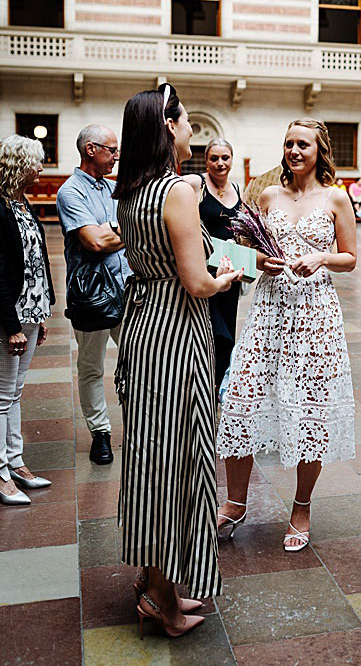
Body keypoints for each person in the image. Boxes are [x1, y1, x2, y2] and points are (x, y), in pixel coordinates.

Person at [112, 83, 242, 638]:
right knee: (179, 462)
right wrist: (229, 276)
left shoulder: (131, 192)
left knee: (149, 459)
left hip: (141, 328)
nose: (193, 128)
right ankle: (162, 599)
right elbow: (196, 281)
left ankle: (151, 582)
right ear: (168, 127)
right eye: (187, 120)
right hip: (177, 332)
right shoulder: (177, 192)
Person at [216, 118, 357, 553]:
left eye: (303, 144)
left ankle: (301, 507)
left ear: (320, 150)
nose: (294, 151)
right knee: (241, 399)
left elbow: (350, 258)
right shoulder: (268, 195)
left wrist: (321, 258)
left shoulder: (336, 197)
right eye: (289, 144)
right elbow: (247, 247)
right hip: (268, 310)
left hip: (315, 314)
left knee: (307, 410)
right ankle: (235, 502)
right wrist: (261, 261)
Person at [55, 124, 129, 465]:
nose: (116, 155)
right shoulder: (71, 192)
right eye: (111, 150)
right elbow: (95, 242)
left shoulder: (111, 189)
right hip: (92, 293)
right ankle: (100, 433)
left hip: (126, 287)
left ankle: (139, 427)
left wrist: (114, 230)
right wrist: (120, 230)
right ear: (91, 150)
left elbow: (114, 232)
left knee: (136, 361)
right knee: (91, 367)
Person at [0, 135, 55, 505]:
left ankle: (15, 461)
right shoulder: (0, 206)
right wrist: (12, 325)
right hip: (11, 315)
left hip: (31, 310)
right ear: (19, 163)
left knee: (15, 392)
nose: (40, 168)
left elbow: (36, 259)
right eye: (36, 161)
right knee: (2, 396)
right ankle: (1, 473)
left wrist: (43, 308)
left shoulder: (23, 203)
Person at [196, 138, 244, 392]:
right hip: (206, 271)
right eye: (214, 158)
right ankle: (204, 380)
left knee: (228, 326)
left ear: (232, 160)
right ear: (206, 160)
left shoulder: (237, 188)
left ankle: (219, 384)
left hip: (231, 272)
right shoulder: (197, 184)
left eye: (225, 158)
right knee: (214, 330)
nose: (220, 163)